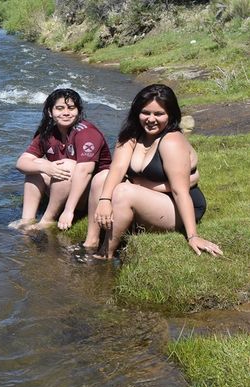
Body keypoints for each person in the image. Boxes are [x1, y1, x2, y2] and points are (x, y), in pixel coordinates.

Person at [93, 84, 223, 258]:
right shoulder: (131, 135)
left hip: (178, 207)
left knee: (124, 191)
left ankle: (105, 255)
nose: (151, 119)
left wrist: (193, 236)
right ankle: (91, 242)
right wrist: (104, 200)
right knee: (101, 178)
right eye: (145, 112)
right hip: (149, 198)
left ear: (170, 115)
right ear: (137, 112)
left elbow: (179, 191)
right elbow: (117, 168)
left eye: (159, 114)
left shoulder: (172, 141)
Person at [11, 88, 112, 247]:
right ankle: (27, 220)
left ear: (78, 111)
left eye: (71, 108)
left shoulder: (87, 132)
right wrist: (45, 166)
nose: (66, 113)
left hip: (91, 194)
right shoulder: (48, 133)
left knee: (67, 166)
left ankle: (48, 220)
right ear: (50, 112)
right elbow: (21, 162)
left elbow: (84, 172)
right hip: (66, 187)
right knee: (36, 166)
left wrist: (69, 210)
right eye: (60, 108)